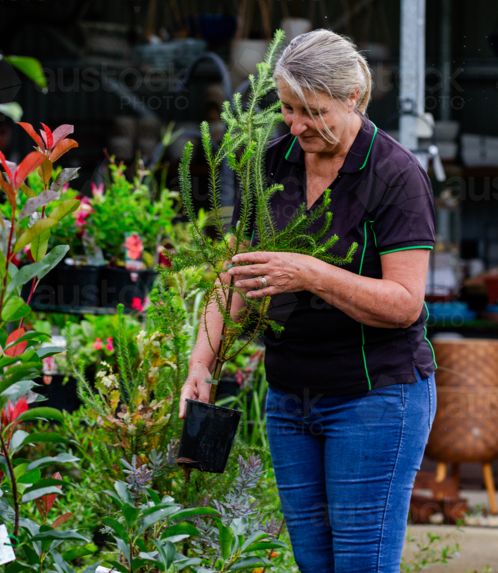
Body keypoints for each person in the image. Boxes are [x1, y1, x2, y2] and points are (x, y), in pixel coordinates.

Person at [179, 29, 436, 573]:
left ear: (354, 99)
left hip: (373, 399)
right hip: (291, 399)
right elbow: (234, 277)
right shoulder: (274, 162)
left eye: (311, 111)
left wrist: (312, 274)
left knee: (361, 565)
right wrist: (200, 364)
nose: (295, 125)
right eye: (288, 108)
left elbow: (405, 303)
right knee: (314, 566)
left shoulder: (395, 176)